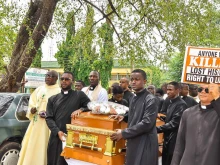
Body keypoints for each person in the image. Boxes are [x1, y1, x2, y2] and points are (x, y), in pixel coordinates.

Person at [110, 69, 158, 165]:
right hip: (133, 139)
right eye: (132, 79)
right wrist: (124, 117)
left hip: (145, 142)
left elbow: (147, 123)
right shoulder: (133, 98)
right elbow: (135, 115)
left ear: (144, 81)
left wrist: (124, 133)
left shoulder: (151, 99)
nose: (133, 82)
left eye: (137, 79)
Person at [46, 71, 90, 165]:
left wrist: (81, 109)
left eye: (67, 79)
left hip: (73, 137)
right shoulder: (52, 99)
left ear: (72, 82)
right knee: (53, 161)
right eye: (62, 79)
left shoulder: (79, 95)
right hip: (56, 136)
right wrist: (57, 132)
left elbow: (90, 106)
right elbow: (49, 118)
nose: (64, 81)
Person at [18, 70, 61, 165]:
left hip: (49, 126)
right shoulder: (39, 89)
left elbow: (61, 110)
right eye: (47, 75)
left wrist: (50, 114)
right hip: (36, 124)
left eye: (50, 76)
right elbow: (32, 103)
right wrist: (31, 110)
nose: (47, 77)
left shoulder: (59, 92)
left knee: (45, 147)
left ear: (56, 78)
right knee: (32, 145)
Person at [171, 83, 220, 165]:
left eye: (207, 90)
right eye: (200, 89)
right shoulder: (188, 112)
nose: (203, 92)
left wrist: (218, 99)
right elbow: (180, 143)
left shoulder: (217, 113)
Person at [157, 81, 187, 165]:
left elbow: (174, 123)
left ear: (178, 90)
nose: (168, 92)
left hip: (174, 140)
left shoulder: (181, 104)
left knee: (170, 161)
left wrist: (156, 129)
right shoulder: (171, 102)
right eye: (167, 89)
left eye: (170, 90)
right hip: (167, 138)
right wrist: (160, 116)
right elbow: (170, 118)